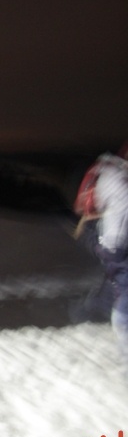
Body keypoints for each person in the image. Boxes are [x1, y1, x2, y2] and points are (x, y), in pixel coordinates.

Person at [87, 145, 128, 372]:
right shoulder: (118, 178)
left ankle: (94, 307)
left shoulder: (108, 172)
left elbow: (101, 206)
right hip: (117, 246)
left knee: (118, 286)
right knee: (124, 298)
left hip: (108, 243)